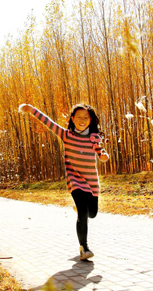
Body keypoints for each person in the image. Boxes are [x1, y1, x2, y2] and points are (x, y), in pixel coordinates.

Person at [19, 103, 109, 260]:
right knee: (83, 213)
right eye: (79, 117)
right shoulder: (66, 135)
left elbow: (99, 149)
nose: (82, 120)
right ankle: (84, 248)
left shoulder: (93, 137)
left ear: (90, 119)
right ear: (73, 119)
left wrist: (103, 155)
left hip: (92, 182)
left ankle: (81, 211)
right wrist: (31, 109)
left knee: (92, 214)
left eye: (86, 118)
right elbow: (47, 122)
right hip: (75, 180)